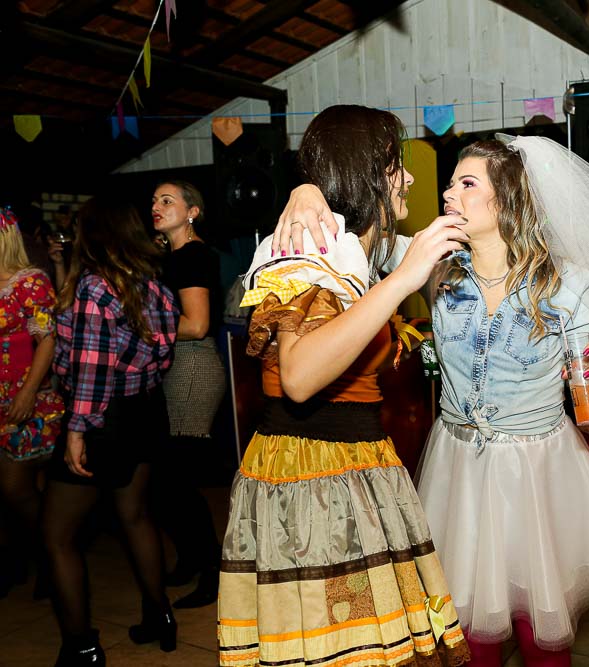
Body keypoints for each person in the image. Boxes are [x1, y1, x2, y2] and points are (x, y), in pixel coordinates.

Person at [273, 136, 589, 666]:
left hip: (536, 472)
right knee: (465, 629)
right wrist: (307, 190)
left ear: (509, 199)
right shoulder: (433, 263)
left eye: (466, 183)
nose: (448, 193)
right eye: (451, 183)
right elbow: (349, 237)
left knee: (541, 631)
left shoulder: (567, 284)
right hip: (459, 470)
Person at [218, 105, 471, 667]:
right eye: (395, 165)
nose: (409, 178)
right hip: (311, 473)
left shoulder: (360, 246)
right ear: (365, 171)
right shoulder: (311, 243)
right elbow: (300, 377)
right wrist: (402, 281)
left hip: (357, 464)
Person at [43, 196, 179, 665]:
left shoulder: (94, 287)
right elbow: (161, 356)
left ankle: (81, 646)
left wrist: (77, 431)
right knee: (135, 516)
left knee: (57, 537)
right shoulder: (154, 284)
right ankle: (160, 616)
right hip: (146, 410)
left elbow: (90, 370)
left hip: (103, 419)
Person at [150, 180, 226, 609]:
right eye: (154, 201)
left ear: (192, 211)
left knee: (176, 482)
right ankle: (192, 559)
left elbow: (196, 325)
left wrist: (142, 325)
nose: (156, 207)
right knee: (166, 482)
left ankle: (212, 572)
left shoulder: (194, 256)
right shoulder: (171, 257)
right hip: (175, 367)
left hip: (193, 367)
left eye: (167, 200)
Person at [0, 206, 63, 599]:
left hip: (27, 398)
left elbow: (48, 339)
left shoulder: (30, 281)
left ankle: (53, 550)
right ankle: (25, 558)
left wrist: (27, 392)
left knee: (14, 487)